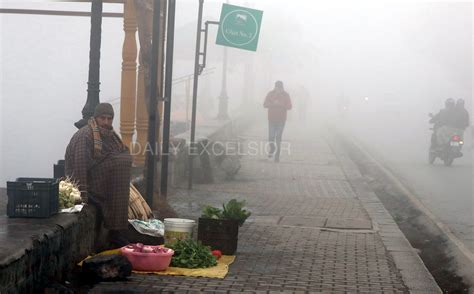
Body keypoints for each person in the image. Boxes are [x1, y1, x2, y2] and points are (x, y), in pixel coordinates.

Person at [65, 103, 132, 247]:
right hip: (91, 182)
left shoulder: (111, 135)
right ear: (95, 118)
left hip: (104, 179)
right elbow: (79, 167)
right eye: (103, 118)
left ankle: (116, 230)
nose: (106, 122)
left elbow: (121, 150)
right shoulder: (85, 136)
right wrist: (82, 197)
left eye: (110, 119)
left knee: (123, 159)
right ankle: (114, 232)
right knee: (117, 163)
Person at [263, 81, 292, 162]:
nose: (278, 89)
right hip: (271, 119)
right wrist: (273, 104)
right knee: (271, 137)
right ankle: (272, 148)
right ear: (274, 87)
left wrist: (280, 104)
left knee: (278, 138)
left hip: (281, 120)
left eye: (279, 87)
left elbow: (289, 106)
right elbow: (265, 104)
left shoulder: (286, 95)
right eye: (276, 87)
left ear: (282, 88)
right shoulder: (270, 94)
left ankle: (277, 156)